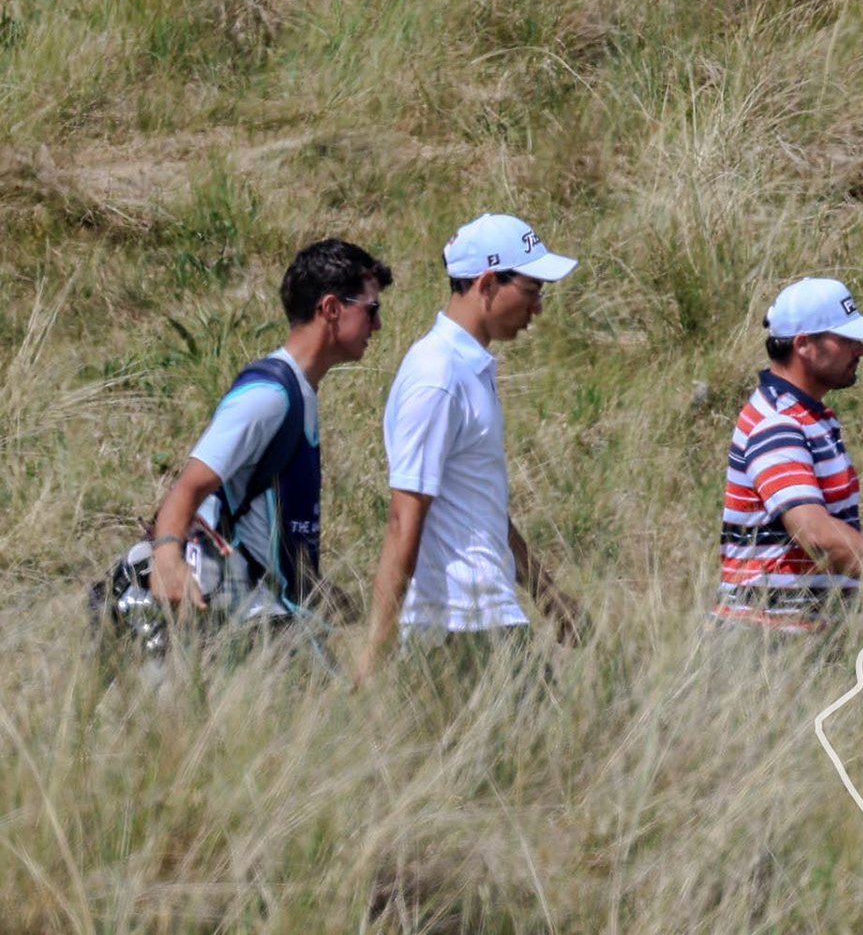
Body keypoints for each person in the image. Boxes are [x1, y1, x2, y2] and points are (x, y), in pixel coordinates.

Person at [355, 213, 585, 685]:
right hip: (459, 625)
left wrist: (548, 597)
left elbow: (481, 507)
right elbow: (404, 518)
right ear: (486, 283)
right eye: (532, 289)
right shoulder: (437, 376)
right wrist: (373, 658)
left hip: (485, 617)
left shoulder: (467, 368)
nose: (538, 307)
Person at [147, 238, 393, 626]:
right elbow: (188, 488)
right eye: (371, 309)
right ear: (331, 308)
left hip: (272, 617)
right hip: (246, 623)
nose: (377, 325)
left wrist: (319, 591)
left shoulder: (300, 392)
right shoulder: (268, 396)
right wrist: (166, 557)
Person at [713, 277, 863, 635]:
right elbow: (819, 538)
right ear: (804, 345)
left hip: (797, 641)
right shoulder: (777, 423)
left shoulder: (810, 417)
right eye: (846, 340)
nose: (860, 350)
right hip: (767, 644)